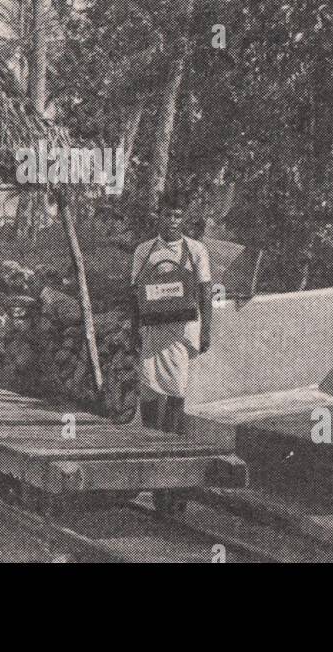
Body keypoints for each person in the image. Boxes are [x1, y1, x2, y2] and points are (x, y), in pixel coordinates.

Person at [130, 191, 213, 512]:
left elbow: (206, 292)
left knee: (176, 393)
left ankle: (171, 466)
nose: (173, 221)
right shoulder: (144, 251)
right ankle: (151, 455)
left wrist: (206, 329)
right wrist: (135, 329)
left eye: (178, 216)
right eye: (167, 215)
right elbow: (134, 293)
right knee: (149, 392)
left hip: (181, 333)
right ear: (159, 217)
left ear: (184, 218)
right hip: (152, 330)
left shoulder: (196, 251)